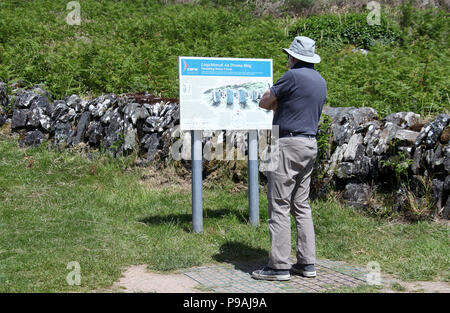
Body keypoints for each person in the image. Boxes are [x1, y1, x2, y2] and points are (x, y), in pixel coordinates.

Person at [252, 36, 327, 281]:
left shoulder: (292, 76)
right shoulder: (320, 81)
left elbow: (264, 101)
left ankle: (279, 267)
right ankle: (307, 263)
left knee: (279, 204)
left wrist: (276, 105)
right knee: (301, 205)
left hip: (285, 143)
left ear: (293, 57)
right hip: (309, 144)